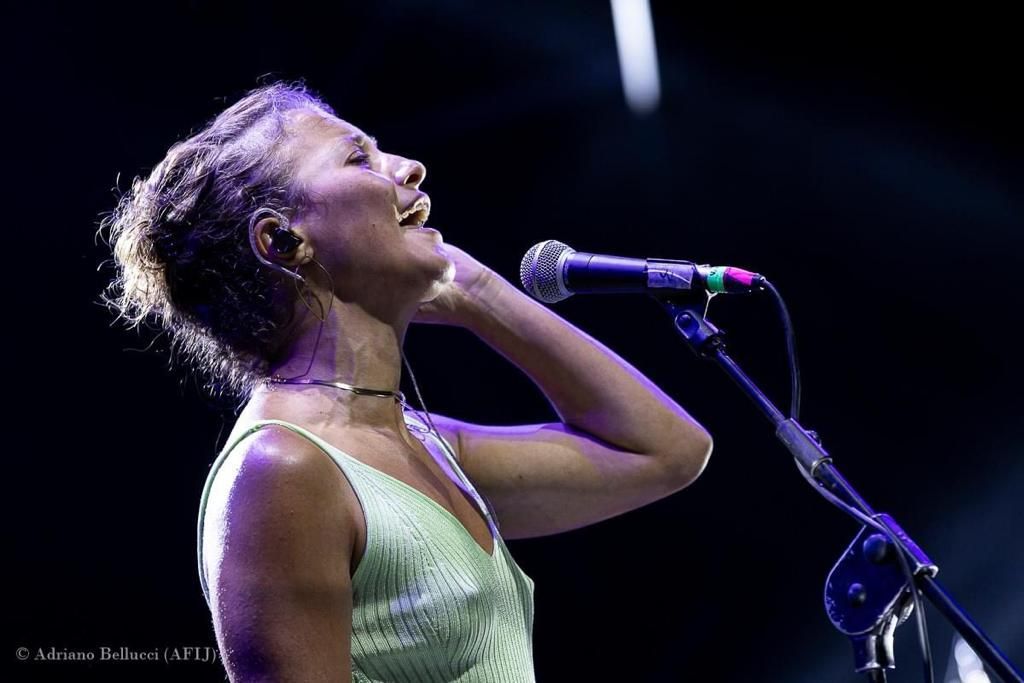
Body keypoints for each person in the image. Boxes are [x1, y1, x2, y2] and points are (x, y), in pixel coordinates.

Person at [100, 82, 713, 682]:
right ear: (283, 240)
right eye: (358, 158)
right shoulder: (283, 468)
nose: (410, 168)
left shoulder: (426, 446)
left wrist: (479, 293)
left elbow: (668, 452)